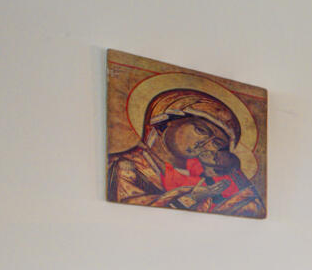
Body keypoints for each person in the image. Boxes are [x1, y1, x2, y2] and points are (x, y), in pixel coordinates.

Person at [107, 89, 264, 216]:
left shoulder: (209, 177)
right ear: (165, 123)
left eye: (217, 143)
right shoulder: (125, 165)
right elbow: (127, 212)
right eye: (201, 130)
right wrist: (191, 198)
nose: (206, 144)